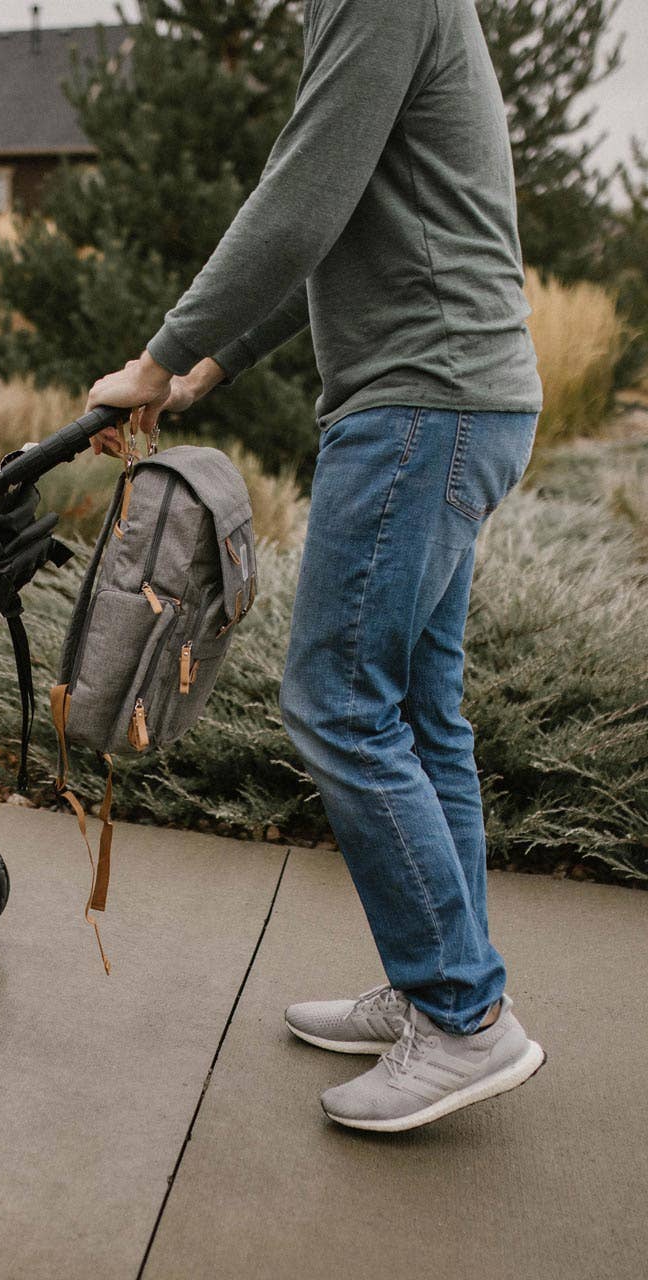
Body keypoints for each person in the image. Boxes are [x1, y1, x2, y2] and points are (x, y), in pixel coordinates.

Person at [85, 0, 546, 1132]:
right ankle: (438, 980)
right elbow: (337, 212)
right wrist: (206, 364)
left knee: (337, 698)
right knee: (417, 711)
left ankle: (460, 1015)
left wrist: (153, 357)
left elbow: (294, 205)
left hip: (418, 406)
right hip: (458, 399)